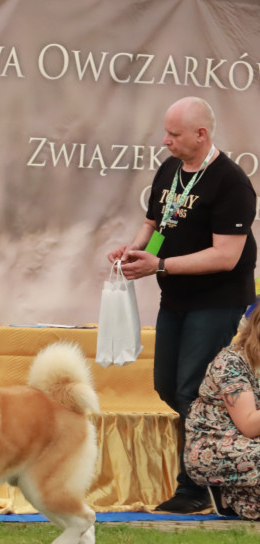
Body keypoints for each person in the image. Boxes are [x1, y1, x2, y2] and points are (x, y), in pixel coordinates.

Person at [107, 96, 257, 514]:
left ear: (201, 134)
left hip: (219, 302)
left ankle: (193, 488)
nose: (165, 141)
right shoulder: (171, 170)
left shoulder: (231, 182)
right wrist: (135, 250)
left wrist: (162, 265)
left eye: (173, 134)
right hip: (176, 298)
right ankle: (220, 458)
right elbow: (156, 223)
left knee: (193, 387)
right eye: (166, 132)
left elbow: (226, 255)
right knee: (168, 386)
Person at [184, 302, 260, 519]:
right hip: (217, 443)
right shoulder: (231, 362)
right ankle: (232, 493)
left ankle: (240, 499)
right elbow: (248, 425)